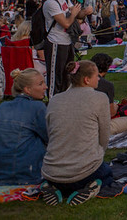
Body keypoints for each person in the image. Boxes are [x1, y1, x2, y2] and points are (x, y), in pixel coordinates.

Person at [41, 60, 112, 206]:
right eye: (96, 76)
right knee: (107, 174)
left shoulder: (55, 99)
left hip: (51, 173)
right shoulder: (99, 98)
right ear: (87, 79)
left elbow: (50, 133)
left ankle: (51, 187)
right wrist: (99, 153)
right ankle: (90, 187)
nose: (99, 79)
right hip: (84, 173)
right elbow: (104, 135)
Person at [43, 0, 94, 97]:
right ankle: (52, 104)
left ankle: (65, 104)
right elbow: (66, 23)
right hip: (56, 43)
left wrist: (85, 12)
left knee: (68, 76)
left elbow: (77, 14)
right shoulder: (50, 2)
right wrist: (74, 13)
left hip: (67, 42)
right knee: (56, 78)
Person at [0, 68, 48, 184]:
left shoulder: (3, 106)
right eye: (41, 84)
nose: (45, 87)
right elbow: (51, 137)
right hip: (27, 176)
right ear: (27, 89)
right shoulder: (37, 107)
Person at [90, 53, 127, 135]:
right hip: (95, 127)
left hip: (77, 123)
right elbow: (111, 113)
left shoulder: (79, 82)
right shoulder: (107, 85)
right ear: (107, 68)